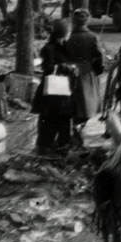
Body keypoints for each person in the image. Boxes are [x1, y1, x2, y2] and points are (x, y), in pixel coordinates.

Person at [32, 19, 77, 155]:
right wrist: (65, 67)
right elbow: (48, 68)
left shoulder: (63, 47)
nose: (69, 34)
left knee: (63, 120)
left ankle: (62, 145)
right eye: (68, 32)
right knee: (49, 120)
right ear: (63, 33)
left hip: (62, 93)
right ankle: (44, 147)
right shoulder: (49, 48)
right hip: (52, 93)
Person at [65, 9, 106, 147]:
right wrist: (98, 70)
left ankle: (75, 130)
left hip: (71, 73)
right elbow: (100, 58)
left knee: (75, 103)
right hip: (88, 72)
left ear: (74, 21)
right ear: (87, 20)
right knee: (88, 104)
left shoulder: (69, 37)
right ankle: (79, 130)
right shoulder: (92, 37)